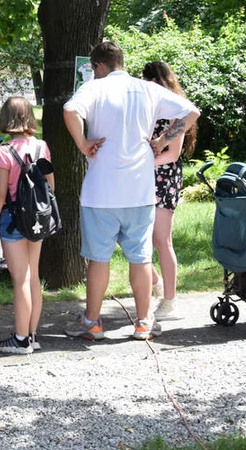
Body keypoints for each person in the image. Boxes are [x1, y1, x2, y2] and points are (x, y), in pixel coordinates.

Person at [62, 41, 200, 341]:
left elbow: (70, 110)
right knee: (141, 257)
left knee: (99, 259)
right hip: (140, 190)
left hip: (101, 192)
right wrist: (163, 140)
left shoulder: (95, 89)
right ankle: (142, 322)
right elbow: (190, 112)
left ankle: (93, 322)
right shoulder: (147, 89)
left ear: (99, 66)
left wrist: (83, 144)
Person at [0, 96, 54, 355]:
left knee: (20, 280)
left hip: (12, 221)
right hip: (38, 219)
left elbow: (0, 194)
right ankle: (32, 335)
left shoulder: (3, 153)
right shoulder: (42, 147)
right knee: (33, 277)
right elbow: (50, 186)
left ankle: (21, 339)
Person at [143, 61, 197, 320]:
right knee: (128, 233)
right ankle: (154, 280)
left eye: (150, 82)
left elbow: (172, 154)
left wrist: (142, 164)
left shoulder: (176, 110)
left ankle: (169, 301)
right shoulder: (150, 107)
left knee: (162, 240)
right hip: (143, 178)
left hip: (164, 179)